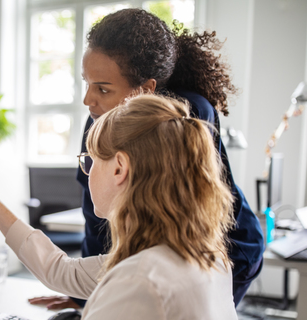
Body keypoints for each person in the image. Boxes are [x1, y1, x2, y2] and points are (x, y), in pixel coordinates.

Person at [29, 8, 263, 309]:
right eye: (87, 83)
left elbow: (189, 214)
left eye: (103, 88)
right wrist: (83, 295)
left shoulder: (186, 115)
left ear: (146, 89)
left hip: (225, 250)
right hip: (162, 259)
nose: (89, 100)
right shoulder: (98, 119)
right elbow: (96, 216)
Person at [0, 94, 238, 319]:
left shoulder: (138, 280)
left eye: (90, 161)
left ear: (119, 168)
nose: (87, 172)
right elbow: (60, 271)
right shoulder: (204, 256)